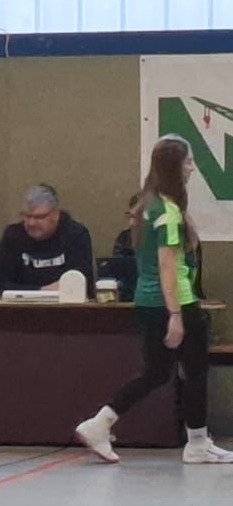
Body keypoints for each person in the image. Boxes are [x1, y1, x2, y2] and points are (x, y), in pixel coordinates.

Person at [76, 136, 233, 465]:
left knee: (157, 372)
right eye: (188, 162)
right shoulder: (168, 212)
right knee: (194, 370)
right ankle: (197, 443)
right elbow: (167, 264)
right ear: (175, 167)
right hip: (174, 302)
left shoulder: (147, 206)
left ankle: (100, 423)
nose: (192, 168)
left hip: (147, 302)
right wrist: (175, 314)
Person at [0, 185, 95, 295]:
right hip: (21, 304)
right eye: (27, 216)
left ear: (56, 214)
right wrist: (42, 291)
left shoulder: (75, 235)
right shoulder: (12, 236)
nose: (31, 223)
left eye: (39, 217)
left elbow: (83, 283)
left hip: (65, 304)